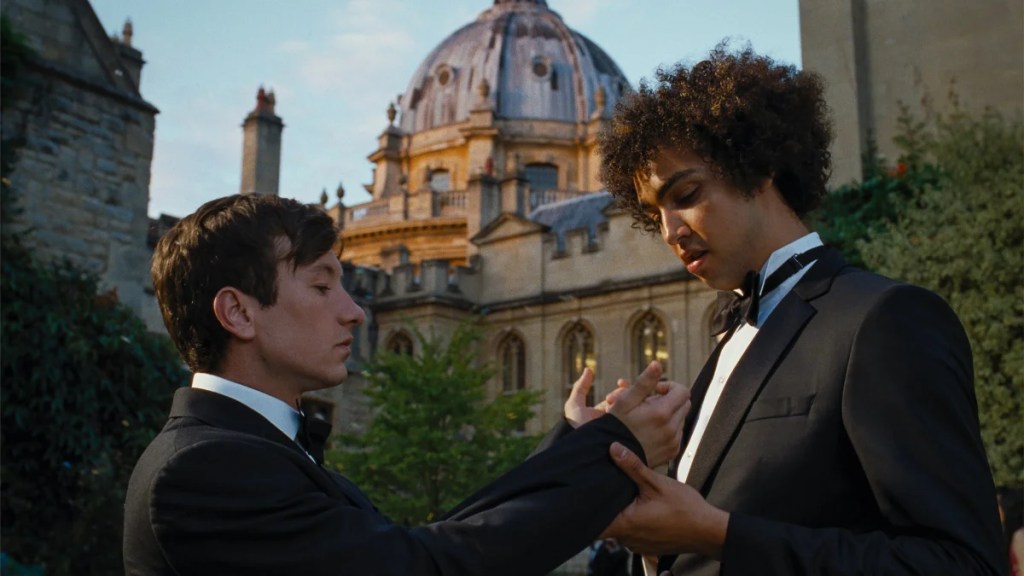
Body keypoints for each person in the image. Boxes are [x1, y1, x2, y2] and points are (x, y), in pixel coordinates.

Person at [565, 45, 1006, 575]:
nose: (669, 231)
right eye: (653, 214)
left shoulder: (883, 319)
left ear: (757, 168)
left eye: (685, 194)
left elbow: (961, 563)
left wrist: (717, 533)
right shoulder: (729, 342)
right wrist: (644, 515)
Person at [123, 193, 690, 575]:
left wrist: (574, 440)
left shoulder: (247, 449)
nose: (356, 312)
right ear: (239, 314)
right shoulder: (202, 471)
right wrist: (616, 457)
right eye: (323, 287)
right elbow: (429, 567)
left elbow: (434, 538)